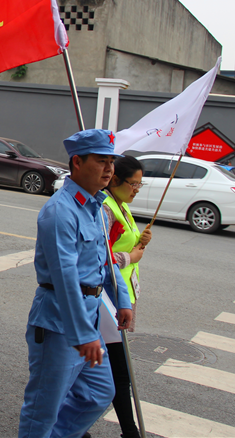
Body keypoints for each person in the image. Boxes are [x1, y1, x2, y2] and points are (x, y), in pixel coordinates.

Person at [18, 129, 133, 438]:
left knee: (98, 393)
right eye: (101, 161)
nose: (109, 169)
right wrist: (82, 334)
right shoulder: (60, 211)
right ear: (77, 163)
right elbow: (65, 277)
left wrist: (121, 298)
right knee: (43, 407)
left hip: (91, 315)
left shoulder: (95, 207)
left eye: (111, 161)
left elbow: (106, 260)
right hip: (59, 323)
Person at [102, 155, 152, 438]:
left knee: (107, 368)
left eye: (140, 185)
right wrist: (130, 255)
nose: (136, 189)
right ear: (116, 180)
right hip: (106, 299)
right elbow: (100, 257)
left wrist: (140, 242)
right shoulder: (106, 208)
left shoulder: (122, 206)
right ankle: (129, 431)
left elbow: (124, 249)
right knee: (118, 371)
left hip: (121, 298)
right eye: (134, 184)